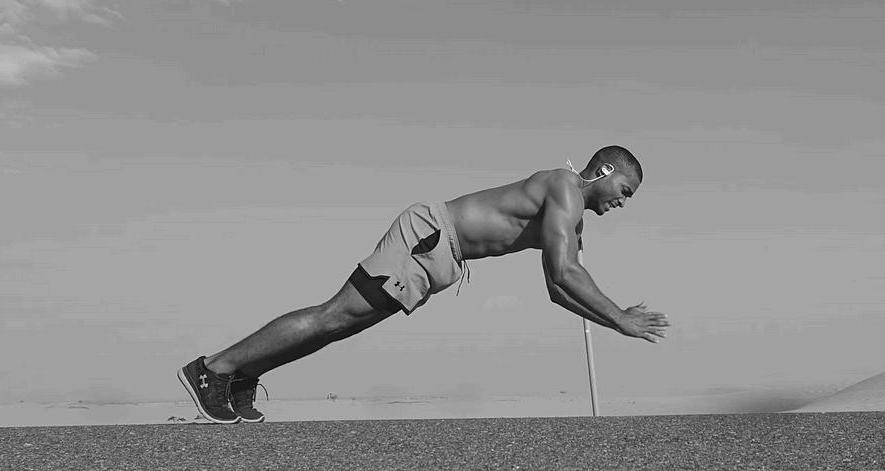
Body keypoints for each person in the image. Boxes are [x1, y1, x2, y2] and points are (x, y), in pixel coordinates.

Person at [177, 145, 672, 423]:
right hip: (431, 235)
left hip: (440, 255)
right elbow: (567, 273)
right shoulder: (564, 188)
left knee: (339, 327)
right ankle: (213, 369)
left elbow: (558, 289)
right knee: (334, 315)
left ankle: (242, 376)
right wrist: (621, 319)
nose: (623, 201)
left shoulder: (572, 221)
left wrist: (615, 323)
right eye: (624, 190)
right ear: (605, 171)